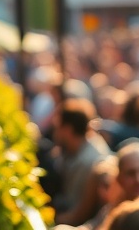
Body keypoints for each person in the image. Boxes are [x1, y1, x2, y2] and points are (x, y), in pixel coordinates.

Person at [52, 97, 112, 226]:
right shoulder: (76, 149)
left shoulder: (88, 162)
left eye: (57, 127)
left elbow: (76, 215)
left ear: (67, 130)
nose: (54, 133)